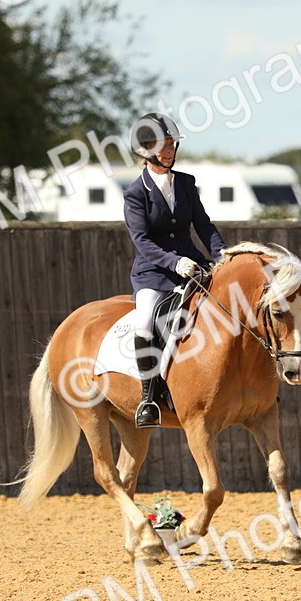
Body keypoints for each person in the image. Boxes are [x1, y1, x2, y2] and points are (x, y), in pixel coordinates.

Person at [122, 112, 226, 428]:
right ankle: (149, 398)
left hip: (193, 265)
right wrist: (173, 262)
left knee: (229, 304)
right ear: (145, 150)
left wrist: (223, 256)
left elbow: (203, 225)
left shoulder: (185, 183)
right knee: (145, 324)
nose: (168, 151)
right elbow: (142, 241)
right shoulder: (135, 193)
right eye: (161, 145)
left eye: (171, 144)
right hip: (154, 273)